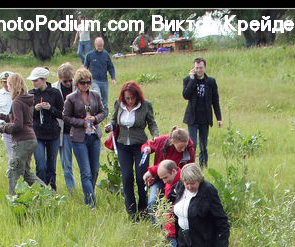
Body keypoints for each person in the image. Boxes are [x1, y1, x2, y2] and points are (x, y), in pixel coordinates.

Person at [170, 162, 230, 247]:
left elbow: (222, 220)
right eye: (187, 183)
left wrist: (223, 246)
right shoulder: (180, 187)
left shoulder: (208, 191)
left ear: (199, 180)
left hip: (204, 242)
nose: (190, 186)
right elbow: (171, 201)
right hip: (183, 241)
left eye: (193, 183)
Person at [109, 81, 159, 220]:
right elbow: (114, 120)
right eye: (127, 98)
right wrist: (110, 125)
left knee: (141, 177)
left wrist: (155, 135)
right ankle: (131, 212)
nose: (129, 101)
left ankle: (143, 210)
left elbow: (152, 123)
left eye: (132, 98)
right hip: (123, 145)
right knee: (127, 177)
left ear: (137, 96)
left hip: (140, 146)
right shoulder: (118, 104)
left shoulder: (145, 105)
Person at [62, 67, 105, 208]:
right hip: (79, 138)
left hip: (94, 136)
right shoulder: (71, 98)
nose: (86, 85)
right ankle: (91, 203)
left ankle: (89, 195)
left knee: (94, 170)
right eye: (82, 83)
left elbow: (103, 112)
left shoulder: (95, 95)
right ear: (77, 83)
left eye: (88, 82)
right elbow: (66, 117)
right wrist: (82, 122)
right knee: (85, 171)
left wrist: (95, 119)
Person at [0, 73, 45, 195]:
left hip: (22, 140)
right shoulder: (27, 100)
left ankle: (15, 200)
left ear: (12, 86)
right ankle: (48, 193)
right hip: (31, 138)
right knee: (26, 173)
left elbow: (18, 125)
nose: (8, 88)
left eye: (8, 85)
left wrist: (4, 128)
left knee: (13, 173)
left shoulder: (17, 102)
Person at [142, 127, 195, 215]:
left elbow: (190, 169)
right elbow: (148, 145)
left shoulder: (189, 150)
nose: (183, 149)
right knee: (152, 203)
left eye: (185, 146)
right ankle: (158, 226)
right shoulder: (162, 141)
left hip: (177, 182)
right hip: (159, 178)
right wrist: (147, 149)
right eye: (181, 147)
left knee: (172, 207)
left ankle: (171, 226)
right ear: (173, 141)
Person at [27, 67, 64, 191]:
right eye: (32, 81)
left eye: (36, 80)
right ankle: (41, 190)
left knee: (51, 165)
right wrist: (35, 110)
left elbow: (62, 114)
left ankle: (52, 190)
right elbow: (27, 115)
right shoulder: (30, 94)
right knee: (40, 164)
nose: (33, 83)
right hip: (37, 133)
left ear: (43, 80)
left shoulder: (55, 93)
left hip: (53, 133)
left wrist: (50, 109)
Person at [182, 57, 222, 168]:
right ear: (193, 68)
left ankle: (203, 166)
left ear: (205, 67)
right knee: (192, 144)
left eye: (200, 68)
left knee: (204, 145)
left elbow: (215, 100)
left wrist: (219, 118)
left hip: (205, 117)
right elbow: (186, 95)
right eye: (196, 68)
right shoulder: (188, 80)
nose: (198, 70)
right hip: (192, 118)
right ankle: (191, 166)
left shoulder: (211, 82)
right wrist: (192, 80)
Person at [52, 63, 76, 192]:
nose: (68, 83)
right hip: (64, 131)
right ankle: (71, 190)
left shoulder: (79, 86)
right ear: (60, 79)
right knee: (67, 165)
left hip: (79, 130)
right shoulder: (55, 89)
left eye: (70, 80)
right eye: (65, 81)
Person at [84, 36, 116, 117]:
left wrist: (113, 78)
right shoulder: (89, 55)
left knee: (105, 102)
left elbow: (111, 67)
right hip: (94, 81)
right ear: (95, 45)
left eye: (101, 46)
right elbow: (85, 68)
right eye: (98, 46)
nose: (100, 48)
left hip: (104, 81)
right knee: (99, 97)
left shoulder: (106, 55)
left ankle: (104, 119)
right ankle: (96, 115)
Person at [155, 159, 181, 247]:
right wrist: (161, 209)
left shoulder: (185, 182)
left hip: (180, 231)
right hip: (170, 229)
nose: (164, 181)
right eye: (162, 179)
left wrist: (176, 208)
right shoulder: (169, 182)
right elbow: (166, 199)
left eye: (165, 177)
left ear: (173, 171)